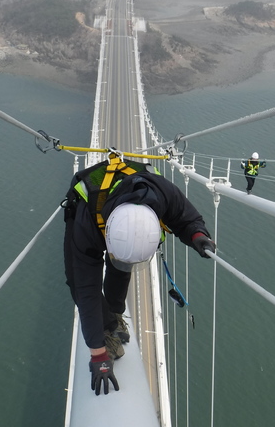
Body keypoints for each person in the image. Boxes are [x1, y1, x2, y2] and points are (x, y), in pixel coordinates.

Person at [62, 152, 216, 396]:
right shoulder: (87, 223)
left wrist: (198, 236)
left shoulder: (165, 193)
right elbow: (85, 287)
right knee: (75, 278)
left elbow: (187, 219)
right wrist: (98, 354)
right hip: (89, 208)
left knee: (121, 267)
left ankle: (113, 316)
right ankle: (107, 327)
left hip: (119, 213)